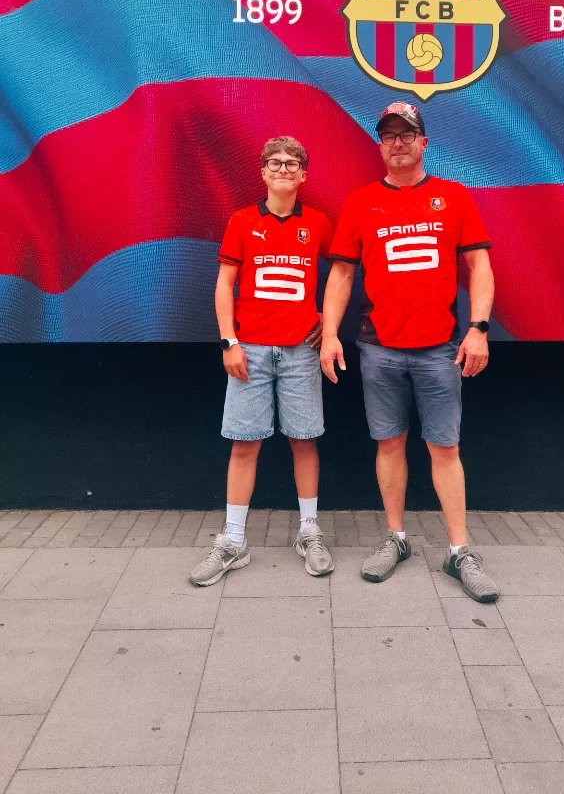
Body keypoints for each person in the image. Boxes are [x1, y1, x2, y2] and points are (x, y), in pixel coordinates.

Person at [320, 102, 499, 602]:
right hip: (379, 347)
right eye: (389, 135)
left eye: (407, 135)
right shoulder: (360, 202)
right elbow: (341, 274)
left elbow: (479, 267)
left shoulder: (454, 197)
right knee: (389, 445)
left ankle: (460, 551)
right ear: (380, 145)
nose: (397, 143)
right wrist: (330, 332)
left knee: (445, 449)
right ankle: (396, 539)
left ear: (424, 143)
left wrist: (478, 328)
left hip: (440, 347)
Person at [190, 137, 334, 586]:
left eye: (293, 163)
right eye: (275, 163)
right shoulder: (242, 221)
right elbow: (223, 284)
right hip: (250, 349)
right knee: (243, 443)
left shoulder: (319, 224)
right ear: (263, 172)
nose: (284, 169)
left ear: (304, 174)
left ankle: (308, 531)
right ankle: (233, 540)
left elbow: (346, 272)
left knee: (304, 439)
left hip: (299, 350)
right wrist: (228, 341)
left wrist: (327, 321)